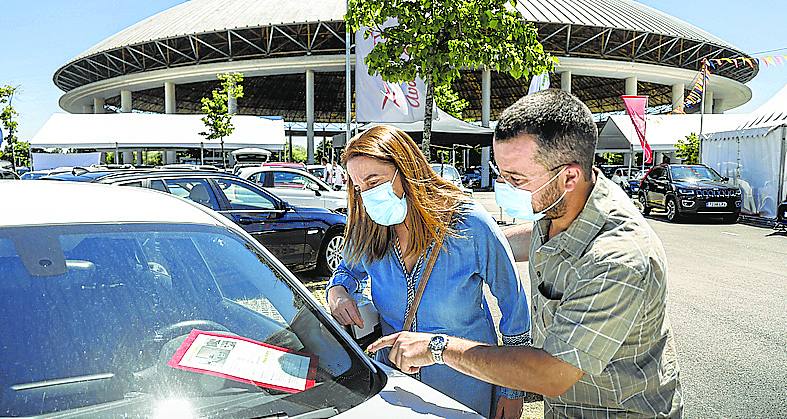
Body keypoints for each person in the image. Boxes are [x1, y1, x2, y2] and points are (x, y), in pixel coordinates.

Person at [369, 89, 683, 418]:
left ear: (569, 176)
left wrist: (438, 348)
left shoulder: (618, 259)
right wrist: (467, 244)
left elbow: (551, 374)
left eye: (516, 178)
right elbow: (535, 236)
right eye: (500, 172)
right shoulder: (564, 207)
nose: (503, 186)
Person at [327, 125, 531, 418]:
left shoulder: (470, 225)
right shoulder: (371, 231)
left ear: (406, 171)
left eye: (374, 181)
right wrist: (338, 292)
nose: (367, 196)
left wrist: (512, 390)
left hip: (466, 387)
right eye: (359, 187)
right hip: (398, 389)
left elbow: (515, 309)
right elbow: (346, 271)